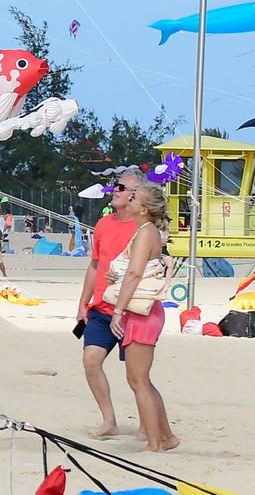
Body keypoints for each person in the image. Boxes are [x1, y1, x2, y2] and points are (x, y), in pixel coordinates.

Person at [107, 179, 178, 453]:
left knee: (138, 380)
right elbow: (131, 269)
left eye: (135, 197)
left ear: (144, 209)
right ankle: (165, 437)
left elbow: (135, 273)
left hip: (142, 311)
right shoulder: (146, 231)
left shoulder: (146, 232)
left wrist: (117, 311)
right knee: (141, 379)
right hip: (145, 311)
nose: (130, 200)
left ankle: (155, 443)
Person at [76, 169, 142, 439]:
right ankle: (109, 420)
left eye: (120, 187)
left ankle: (147, 425)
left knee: (136, 377)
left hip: (132, 311)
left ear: (136, 195)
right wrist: (83, 302)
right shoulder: (103, 224)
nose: (113, 190)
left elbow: (154, 266)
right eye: (114, 186)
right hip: (101, 309)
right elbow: (94, 265)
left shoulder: (144, 227)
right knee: (91, 360)